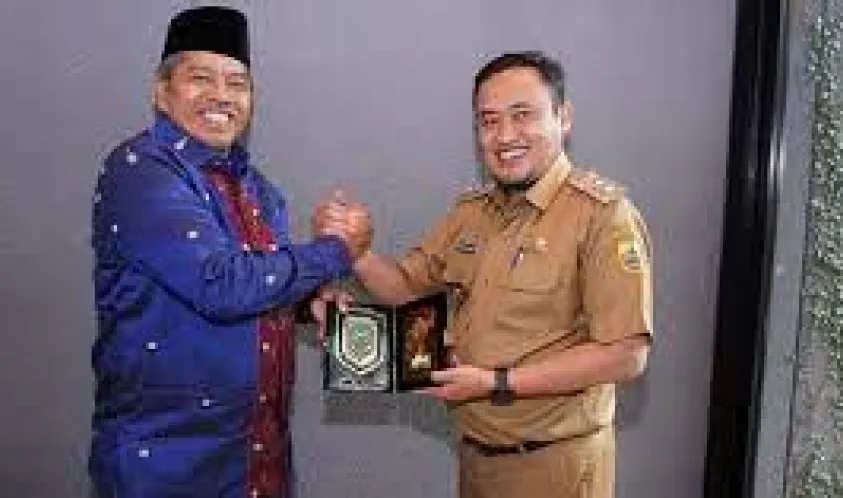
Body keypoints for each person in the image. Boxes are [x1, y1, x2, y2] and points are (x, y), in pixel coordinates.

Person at [316, 51, 653, 497]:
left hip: (556, 466)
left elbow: (625, 354)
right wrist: (357, 253)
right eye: (489, 121)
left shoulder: (603, 217)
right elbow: (405, 288)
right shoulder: (472, 212)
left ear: (563, 118)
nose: (505, 135)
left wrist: (496, 382)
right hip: (477, 457)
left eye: (522, 115)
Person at [89, 6, 371, 497]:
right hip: (166, 469)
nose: (222, 96)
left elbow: (252, 283)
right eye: (201, 78)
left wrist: (304, 304)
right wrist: (338, 249)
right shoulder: (141, 169)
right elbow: (221, 284)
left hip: (256, 463)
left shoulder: (259, 190)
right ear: (161, 91)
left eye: (238, 83)